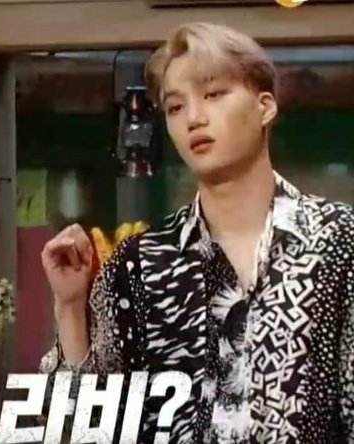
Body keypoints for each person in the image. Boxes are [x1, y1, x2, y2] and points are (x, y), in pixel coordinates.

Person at [40, 22, 354, 443]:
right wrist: (69, 307)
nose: (194, 118)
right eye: (175, 107)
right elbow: (83, 428)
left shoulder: (339, 242)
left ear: (265, 106)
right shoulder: (140, 265)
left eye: (213, 95)